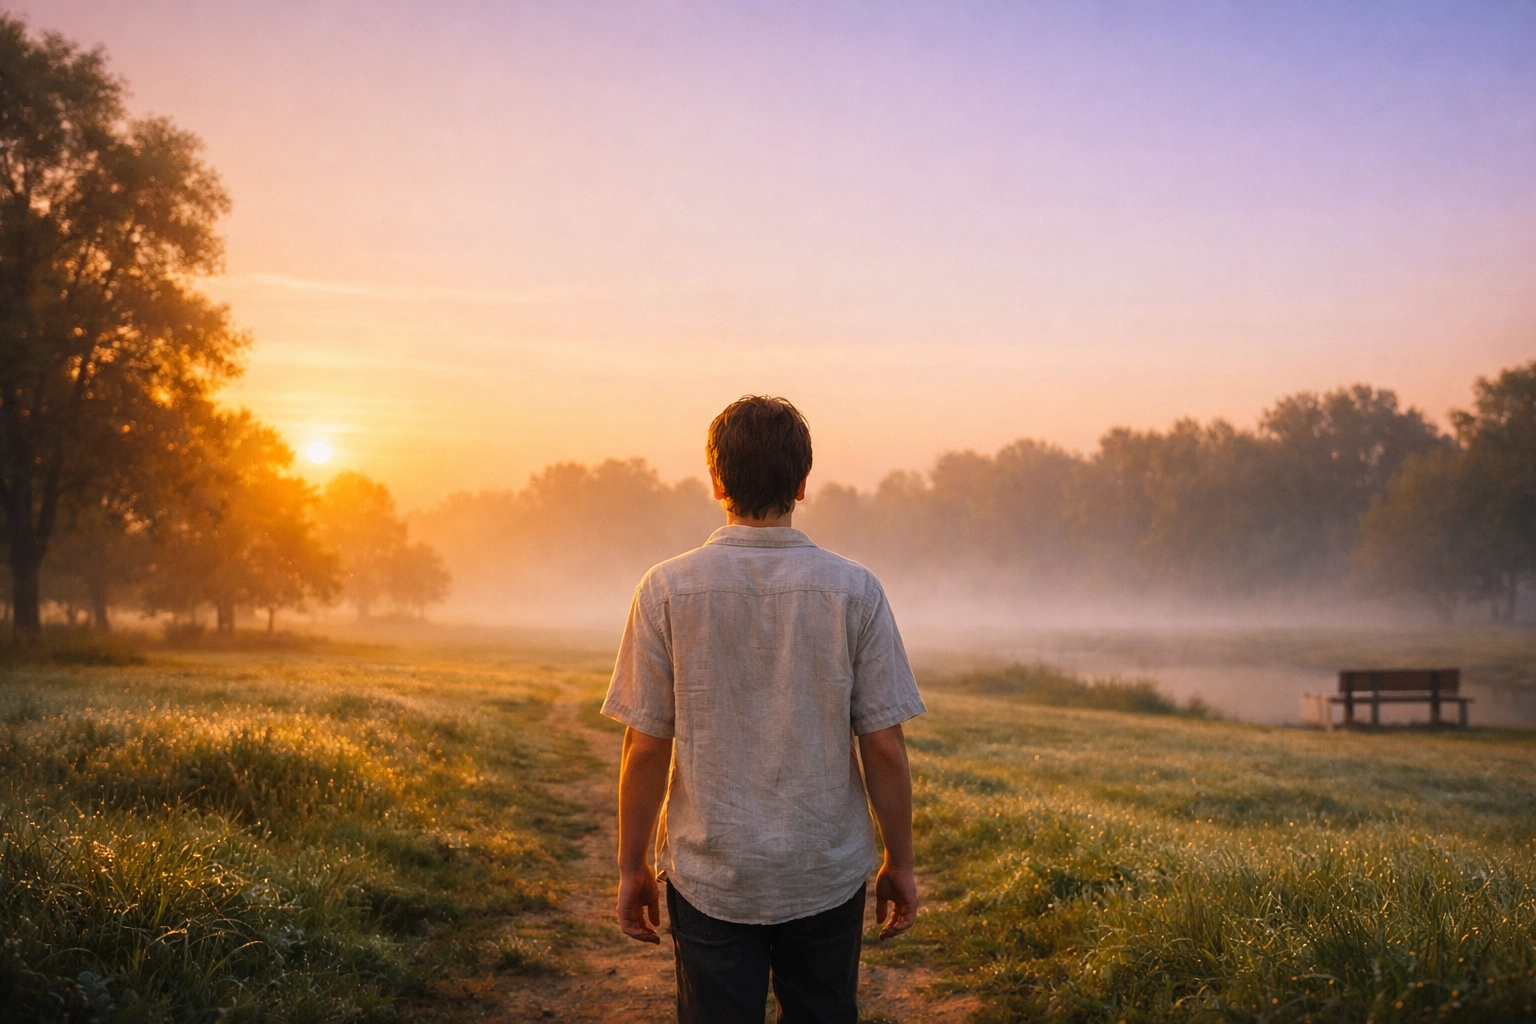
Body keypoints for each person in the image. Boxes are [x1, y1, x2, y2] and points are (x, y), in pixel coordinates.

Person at [601, 395, 925, 1024]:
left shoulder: (665, 590)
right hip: (823, 870)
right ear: (803, 484)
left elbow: (645, 746)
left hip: (711, 870)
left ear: (716, 480)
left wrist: (631, 866)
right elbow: (883, 744)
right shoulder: (855, 590)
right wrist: (900, 862)